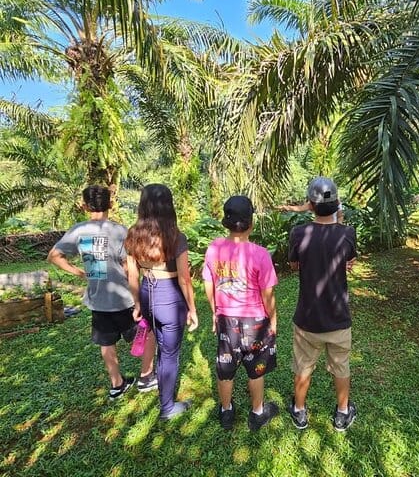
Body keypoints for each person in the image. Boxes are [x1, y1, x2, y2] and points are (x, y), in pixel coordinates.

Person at [48, 185, 156, 400]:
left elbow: (54, 256)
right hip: (124, 298)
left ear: (84, 206)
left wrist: (80, 272)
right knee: (146, 334)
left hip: (98, 299)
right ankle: (146, 376)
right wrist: (138, 298)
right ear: (111, 204)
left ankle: (117, 384)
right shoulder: (120, 231)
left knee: (106, 342)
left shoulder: (78, 231)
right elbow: (129, 268)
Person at [202, 195, 280, 431]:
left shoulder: (214, 249)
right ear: (251, 222)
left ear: (226, 222)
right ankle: (257, 412)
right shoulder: (260, 254)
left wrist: (215, 312)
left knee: (226, 368)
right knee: (256, 369)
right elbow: (268, 295)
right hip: (255, 321)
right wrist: (273, 321)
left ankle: (226, 411)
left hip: (226, 320)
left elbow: (209, 284)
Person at [287, 177, 358, 431]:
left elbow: (294, 265)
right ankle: (342, 412)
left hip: (307, 317)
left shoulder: (298, 233)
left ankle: (299, 410)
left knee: (303, 365)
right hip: (338, 316)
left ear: (310, 204)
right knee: (341, 366)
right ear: (337, 203)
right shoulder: (347, 233)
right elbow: (349, 260)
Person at [125, 184, 198, 420]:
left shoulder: (134, 235)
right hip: (170, 298)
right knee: (169, 353)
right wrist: (192, 309)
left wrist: (137, 304)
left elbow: (132, 275)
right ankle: (167, 407)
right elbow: (185, 279)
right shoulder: (176, 236)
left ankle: (164, 396)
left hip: (147, 293)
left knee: (161, 346)